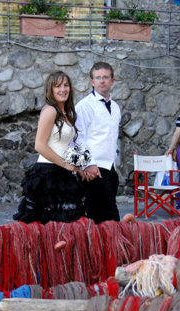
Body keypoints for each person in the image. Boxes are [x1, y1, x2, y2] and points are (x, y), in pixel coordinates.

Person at [13, 71, 86, 224]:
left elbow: (64, 144)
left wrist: (78, 165)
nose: (63, 89)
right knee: (49, 225)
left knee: (66, 224)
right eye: (57, 86)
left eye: (66, 85)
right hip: (48, 172)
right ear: (50, 90)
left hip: (62, 172)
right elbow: (39, 145)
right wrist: (65, 164)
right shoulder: (50, 111)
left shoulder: (66, 112)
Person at [75, 61, 121, 224]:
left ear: (112, 80)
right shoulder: (84, 106)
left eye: (106, 77)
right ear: (92, 81)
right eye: (98, 77)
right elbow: (75, 139)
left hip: (110, 169)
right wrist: (87, 165)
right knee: (110, 219)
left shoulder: (115, 107)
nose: (102, 81)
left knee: (99, 219)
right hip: (93, 169)